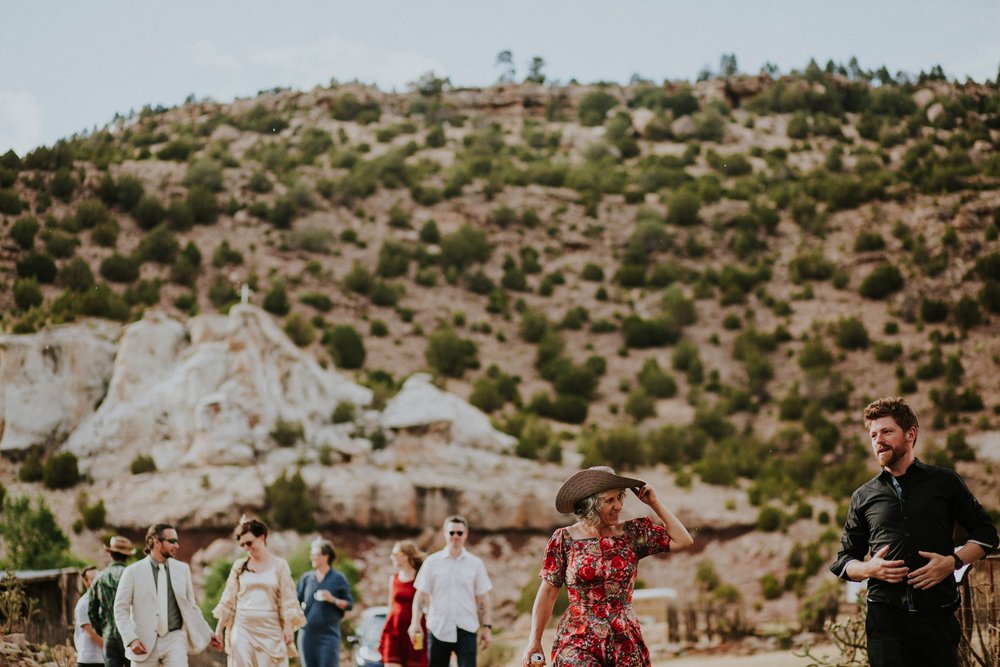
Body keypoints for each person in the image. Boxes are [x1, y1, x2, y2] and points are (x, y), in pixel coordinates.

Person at [831, 397, 998, 667]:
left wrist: (952, 562)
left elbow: (987, 534)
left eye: (887, 431)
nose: (878, 440)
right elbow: (844, 560)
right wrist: (869, 569)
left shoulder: (945, 482)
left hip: (937, 615)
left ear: (911, 434)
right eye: (873, 435)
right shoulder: (863, 496)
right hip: (885, 619)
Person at [521, 466, 694, 667]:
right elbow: (549, 591)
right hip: (578, 637)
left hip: (624, 636)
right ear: (590, 506)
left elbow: (683, 541)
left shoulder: (632, 534)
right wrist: (534, 640)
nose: (619, 505)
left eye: (620, 497)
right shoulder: (564, 539)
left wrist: (654, 503)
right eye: (609, 500)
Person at [112, 523, 213, 665]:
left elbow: (191, 607)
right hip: (142, 643)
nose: (177, 545)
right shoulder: (132, 572)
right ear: (156, 542)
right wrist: (131, 639)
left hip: (175, 639)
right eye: (172, 541)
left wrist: (208, 633)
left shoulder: (182, 570)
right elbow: (120, 609)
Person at [212, 517, 306, 666]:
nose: (246, 548)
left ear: (261, 537)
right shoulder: (239, 566)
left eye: (249, 543)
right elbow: (228, 600)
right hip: (243, 628)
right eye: (242, 545)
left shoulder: (279, 565)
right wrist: (219, 631)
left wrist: (288, 627)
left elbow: (288, 599)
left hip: (271, 629)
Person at [409, 515, 493, 667]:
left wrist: (487, 627)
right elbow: (420, 594)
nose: (455, 536)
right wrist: (415, 622)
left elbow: (483, 598)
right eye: (451, 532)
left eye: (459, 533)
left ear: (465, 534)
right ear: (444, 534)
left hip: (467, 627)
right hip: (438, 628)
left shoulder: (476, 564)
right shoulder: (431, 562)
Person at [295, 537, 353, 667]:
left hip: (329, 635)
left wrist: (332, 599)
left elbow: (349, 605)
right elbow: (294, 602)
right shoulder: (306, 578)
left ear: (325, 556)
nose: (312, 558)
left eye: (315, 555)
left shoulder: (338, 578)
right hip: (307, 634)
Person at [379, 541, 428, 667]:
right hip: (394, 629)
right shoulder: (393, 578)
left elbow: (427, 605)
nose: (391, 557)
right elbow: (391, 607)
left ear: (406, 556)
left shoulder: (421, 578)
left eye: (395, 554)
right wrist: (384, 631)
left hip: (415, 631)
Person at [89, 535, 136, 667]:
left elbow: (91, 610)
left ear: (110, 554)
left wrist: (102, 630)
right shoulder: (132, 575)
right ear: (127, 556)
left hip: (109, 635)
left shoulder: (99, 578)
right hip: (131, 635)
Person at [76, 566, 104, 667]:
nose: (97, 581)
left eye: (99, 578)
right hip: (89, 661)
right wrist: (110, 650)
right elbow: (92, 634)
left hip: (103, 659)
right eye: (93, 579)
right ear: (86, 582)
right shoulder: (83, 604)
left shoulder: (104, 601)